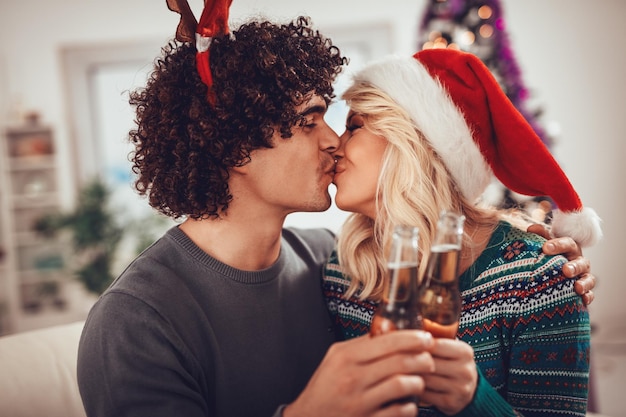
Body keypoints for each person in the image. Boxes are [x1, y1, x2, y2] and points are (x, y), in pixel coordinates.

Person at [77, 1, 596, 417]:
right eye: (310, 121)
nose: (332, 141)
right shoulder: (135, 322)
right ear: (233, 143)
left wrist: (550, 267)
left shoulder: (329, 262)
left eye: (345, 122)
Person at [323, 48, 602, 417]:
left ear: (411, 143)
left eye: (354, 126)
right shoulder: (343, 273)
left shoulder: (537, 277)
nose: (333, 146)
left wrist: (472, 401)